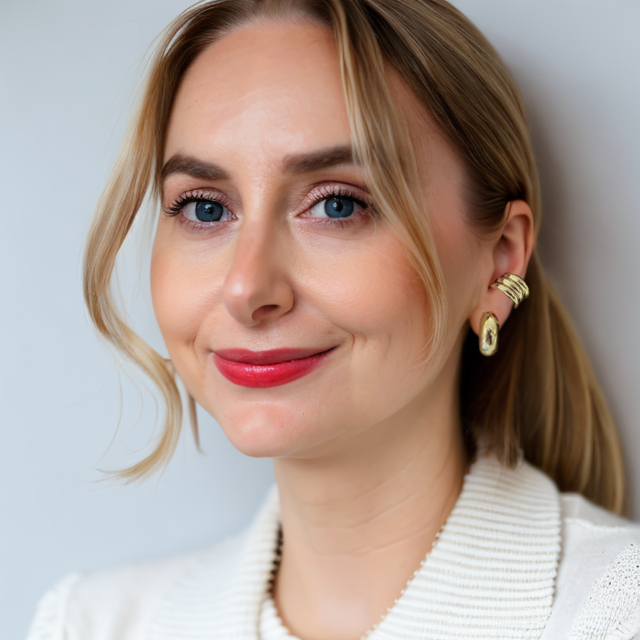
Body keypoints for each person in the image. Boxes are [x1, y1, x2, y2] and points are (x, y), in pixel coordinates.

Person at [26, 0, 640, 638]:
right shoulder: (90, 625)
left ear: (499, 261)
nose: (245, 288)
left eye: (338, 205)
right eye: (205, 208)